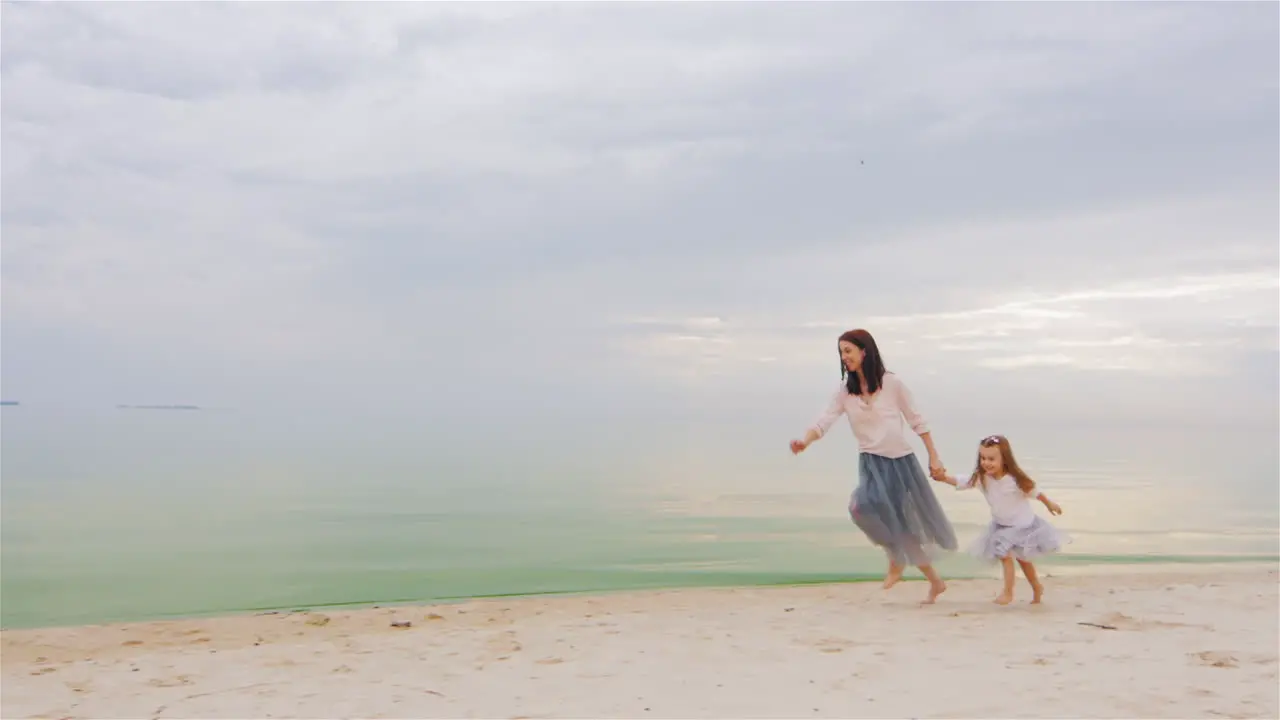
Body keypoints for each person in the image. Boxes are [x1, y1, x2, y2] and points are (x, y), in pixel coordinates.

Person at [790, 328, 958, 604]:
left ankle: (933, 581)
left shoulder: (892, 384)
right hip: (871, 463)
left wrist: (934, 457)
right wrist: (805, 441)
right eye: (841, 352)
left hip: (902, 465)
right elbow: (825, 420)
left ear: (864, 351)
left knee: (904, 525)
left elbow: (918, 421)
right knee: (861, 507)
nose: (844, 357)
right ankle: (897, 556)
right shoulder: (846, 391)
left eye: (848, 351)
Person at [931, 434, 1068, 605]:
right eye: (982, 458)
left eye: (991, 459)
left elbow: (1035, 492)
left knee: (1019, 559)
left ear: (1004, 459)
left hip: (1022, 526)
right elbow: (963, 481)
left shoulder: (1014, 480)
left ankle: (1022, 590)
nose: (986, 462)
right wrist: (943, 478)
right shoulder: (982, 478)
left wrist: (1050, 504)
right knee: (1011, 556)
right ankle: (1023, 589)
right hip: (1001, 525)